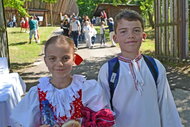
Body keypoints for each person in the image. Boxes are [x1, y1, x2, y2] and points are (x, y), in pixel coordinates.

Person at [98, 9, 182, 127]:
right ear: (115, 38)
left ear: (143, 36)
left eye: (136, 30)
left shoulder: (155, 66)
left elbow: (166, 105)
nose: (131, 36)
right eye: (123, 31)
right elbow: (103, 110)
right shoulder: (108, 70)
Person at [11, 35, 115, 127]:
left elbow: (103, 120)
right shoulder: (37, 94)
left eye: (65, 58)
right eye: (52, 58)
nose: (59, 64)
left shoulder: (87, 89)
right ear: (45, 60)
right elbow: (21, 123)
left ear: (74, 59)